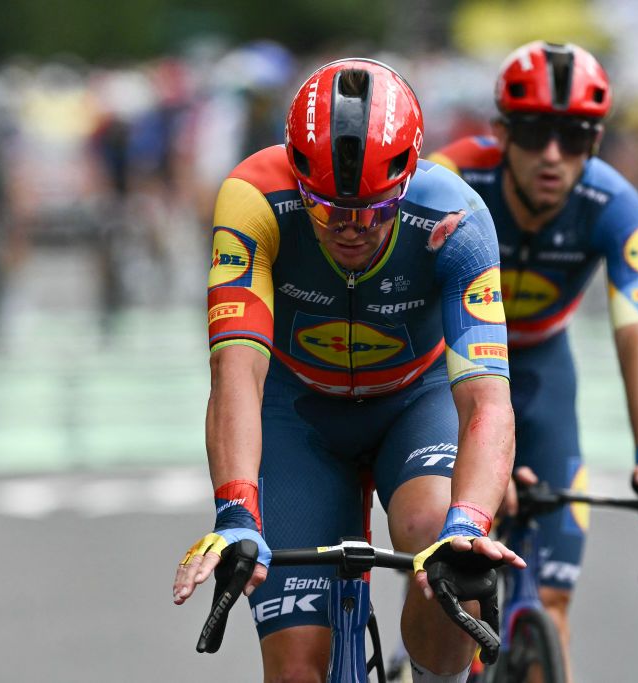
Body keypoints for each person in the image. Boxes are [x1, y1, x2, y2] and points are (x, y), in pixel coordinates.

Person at [173, 58, 525, 682]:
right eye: (327, 206)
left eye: (373, 207)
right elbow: (236, 373)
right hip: (296, 411)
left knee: (436, 540)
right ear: (297, 175)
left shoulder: (457, 220)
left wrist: (468, 523)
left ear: (409, 175)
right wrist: (235, 513)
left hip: (414, 405)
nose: (351, 228)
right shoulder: (255, 197)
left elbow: (487, 402)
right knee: (295, 670)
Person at [427, 41, 638, 679]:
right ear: (500, 133)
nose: (552, 154)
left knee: (553, 596)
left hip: (542, 369)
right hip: (446, 366)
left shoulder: (614, 205)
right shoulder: (450, 179)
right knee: (454, 572)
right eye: (535, 132)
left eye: (573, 137)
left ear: (596, 142)